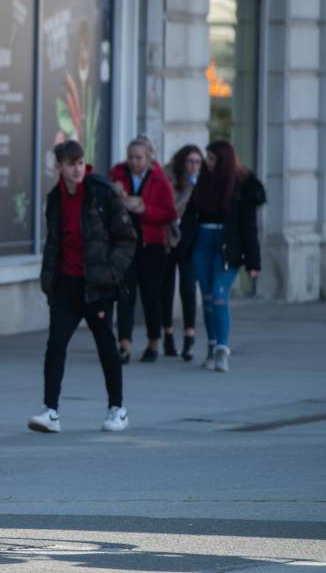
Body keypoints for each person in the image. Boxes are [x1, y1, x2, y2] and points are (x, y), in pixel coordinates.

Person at [31, 140, 136, 434]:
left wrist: (111, 273)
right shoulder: (55, 199)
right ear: (59, 167)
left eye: (80, 163)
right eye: (70, 165)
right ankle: (51, 411)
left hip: (97, 284)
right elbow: (54, 243)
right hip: (66, 283)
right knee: (56, 344)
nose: (77, 170)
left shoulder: (101, 192)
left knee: (105, 344)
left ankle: (117, 408)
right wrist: (49, 281)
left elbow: (127, 237)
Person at [180, 140, 266, 372]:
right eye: (207, 158)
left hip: (227, 246)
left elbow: (249, 227)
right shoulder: (202, 182)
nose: (206, 163)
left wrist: (253, 262)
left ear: (224, 161)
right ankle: (211, 345)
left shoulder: (241, 186)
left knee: (219, 295)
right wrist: (183, 247)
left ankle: (222, 350)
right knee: (208, 298)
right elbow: (190, 217)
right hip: (202, 243)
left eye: (211, 158)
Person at [109, 135, 177, 363]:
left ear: (148, 158)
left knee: (151, 296)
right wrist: (117, 196)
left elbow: (170, 213)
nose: (134, 162)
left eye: (139, 157)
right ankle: (124, 344)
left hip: (152, 244)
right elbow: (104, 205)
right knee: (125, 294)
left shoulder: (159, 179)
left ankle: (153, 342)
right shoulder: (117, 174)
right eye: (130, 157)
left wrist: (145, 210)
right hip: (124, 244)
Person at [160, 145, 204, 361]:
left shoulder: (201, 182)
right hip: (167, 238)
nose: (194, 166)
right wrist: (189, 189)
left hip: (189, 240)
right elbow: (171, 208)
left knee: (188, 286)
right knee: (166, 288)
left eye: (198, 162)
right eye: (190, 162)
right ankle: (167, 334)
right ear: (182, 162)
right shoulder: (168, 178)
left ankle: (189, 337)